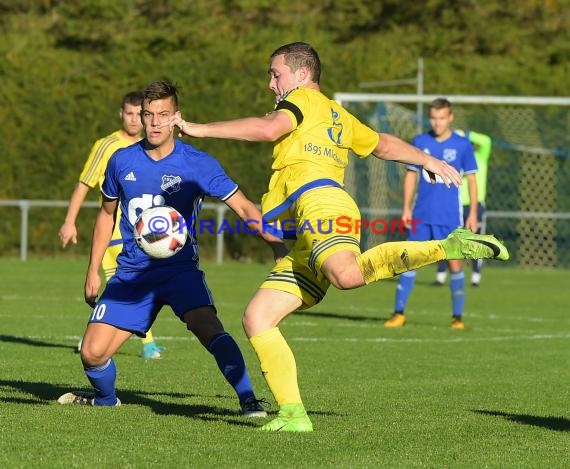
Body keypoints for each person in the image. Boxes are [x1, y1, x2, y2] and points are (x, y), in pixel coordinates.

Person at [163, 42, 508, 432]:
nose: (271, 83)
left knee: (347, 276)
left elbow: (266, 128)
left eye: (276, 74)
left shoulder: (299, 104)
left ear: (302, 75)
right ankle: (294, 415)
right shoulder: (337, 114)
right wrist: (427, 159)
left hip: (322, 205)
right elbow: (382, 144)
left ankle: (449, 247)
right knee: (258, 318)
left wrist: (197, 129)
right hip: (309, 227)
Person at [57, 80, 287, 418]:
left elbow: (244, 208)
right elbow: (106, 215)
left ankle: (249, 400)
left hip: (180, 271)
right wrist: (93, 270)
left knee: (209, 327)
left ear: (176, 117)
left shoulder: (198, 164)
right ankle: (106, 400)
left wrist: (276, 245)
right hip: (132, 275)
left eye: (162, 115)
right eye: (148, 115)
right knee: (91, 353)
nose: (153, 122)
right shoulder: (120, 161)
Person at [58, 91, 166, 359]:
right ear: (121, 114)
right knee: (125, 285)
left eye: (136, 114)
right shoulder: (107, 145)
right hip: (115, 231)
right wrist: (69, 221)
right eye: (128, 114)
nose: (133, 120)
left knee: (127, 286)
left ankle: (95, 339)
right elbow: (84, 183)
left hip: (143, 231)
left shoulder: (152, 145)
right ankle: (144, 343)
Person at [385, 98, 479, 330]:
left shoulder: (462, 145)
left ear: (450, 118)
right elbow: (410, 175)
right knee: (408, 261)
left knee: (455, 265)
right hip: (421, 215)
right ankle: (399, 313)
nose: (437, 123)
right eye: (433, 118)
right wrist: (406, 207)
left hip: (450, 217)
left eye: (442, 118)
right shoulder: (420, 142)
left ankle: (457, 318)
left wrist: (473, 212)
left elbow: (472, 179)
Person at [434, 129, 492, 287]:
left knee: (475, 240)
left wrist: (465, 134)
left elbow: (486, 141)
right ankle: (441, 275)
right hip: (455, 204)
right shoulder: (456, 159)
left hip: (475, 205)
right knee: (448, 238)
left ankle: (475, 275)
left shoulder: (480, 156)